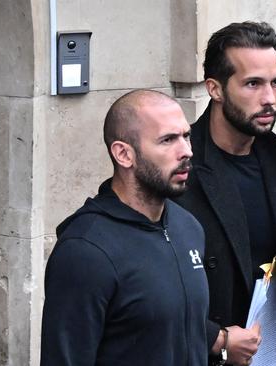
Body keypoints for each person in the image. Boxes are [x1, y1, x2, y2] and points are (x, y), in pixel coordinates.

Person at [174, 22, 276, 366]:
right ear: (215, 89)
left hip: (274, 349)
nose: (269, 98)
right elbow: (149, 284)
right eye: (253, 84)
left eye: (275, 82)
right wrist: (215, 340)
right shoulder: (179, 165)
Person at [41, 89, 209, 366]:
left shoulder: (187, 227)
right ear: (123, 154)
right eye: (168, 140)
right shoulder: (86, 251)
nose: (187, 151)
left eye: (186, 136)